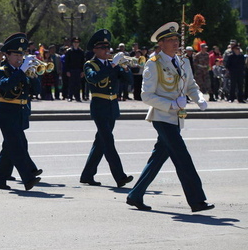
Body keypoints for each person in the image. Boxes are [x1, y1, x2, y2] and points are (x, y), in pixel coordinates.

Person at [126, 22, 213, 212]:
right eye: (171, 40)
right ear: (161, 43)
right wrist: (172, 104)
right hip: (162, 117)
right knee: (182, 158)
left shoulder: (183, 61)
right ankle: (197, 200)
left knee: (157, 159)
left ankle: (135, 195)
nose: (175, 43)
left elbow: (191, 85)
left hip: (177, 118)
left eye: (177, 40)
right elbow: (146, 95)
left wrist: (198, 98)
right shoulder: (154, 63)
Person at [79, 30, 134, 188]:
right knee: (108, 142)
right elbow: (93, 78)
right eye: (102, 48)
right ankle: (120, 176)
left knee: (101, 142)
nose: (106, 51)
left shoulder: (112, 65)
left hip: (112, 107)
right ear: (95, 50)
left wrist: (125, 67)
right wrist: (114, 65)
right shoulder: (90, 64)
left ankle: (87, 174)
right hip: (99, 107)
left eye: (107, 48)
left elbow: (129, 81)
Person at [0, 34, 42, 191]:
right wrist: (22, 71)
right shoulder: (1, 70)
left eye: (21, 54)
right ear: (7, 55)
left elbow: (37, 90)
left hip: (20, 112)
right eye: (16, 54)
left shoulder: (23, 71)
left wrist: (33, 75)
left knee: (10, 147)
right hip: (7, 113)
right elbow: (5, 86)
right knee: (17, 147)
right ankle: (28, 177)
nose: (19, 57)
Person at [64, 37, 86, 102]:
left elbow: (83, 62)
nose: (76, 44)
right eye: (74, 42)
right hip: (71, 70)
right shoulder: (69, 51)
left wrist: (82, 71)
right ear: (72, 43)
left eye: (77, 42)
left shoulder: (81, 52)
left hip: (78, 70)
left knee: (78, 84)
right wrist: (67, 71)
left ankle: (77, 97)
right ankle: (70, 96)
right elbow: (66, 62)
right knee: (71, 84)